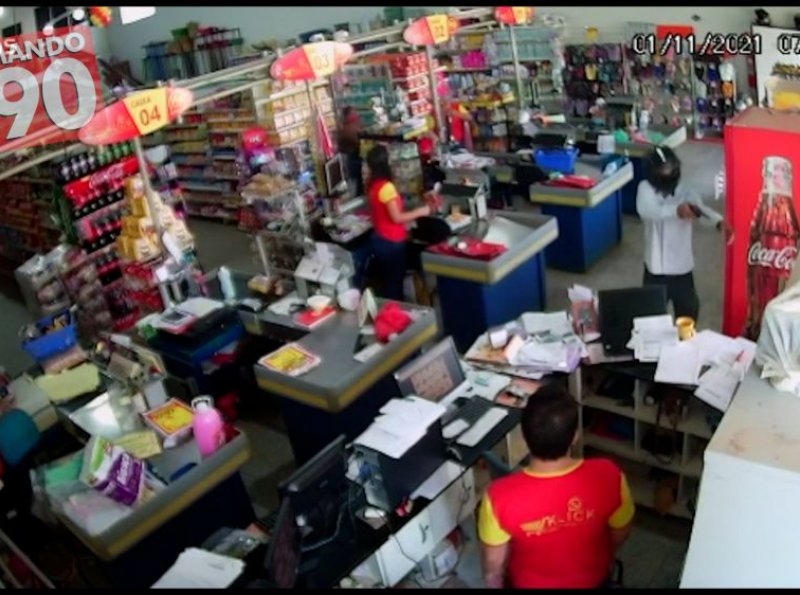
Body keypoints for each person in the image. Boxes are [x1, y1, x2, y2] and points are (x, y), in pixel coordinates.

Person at [478, 384, 634, 589]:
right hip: (595, 581)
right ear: (575, 436)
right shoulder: (609, 475)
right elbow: (620, 533)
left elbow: (493, 566)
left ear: (524, 436)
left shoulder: (498, 497)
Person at [636, 146, 733, 322]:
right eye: (664, 170)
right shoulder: (645, 189)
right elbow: (648, 210)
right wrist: (676, 211)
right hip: (656, 269)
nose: (669, 173)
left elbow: (699, 209)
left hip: (682, 268)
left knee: (689, 312)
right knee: (650, 316)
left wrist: (717, 221)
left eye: (671, 169)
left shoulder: (686, 189)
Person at [365, 144, 433, 301]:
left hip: (380, 238)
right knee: (394, 284)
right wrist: (422, 211)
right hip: (391, 242)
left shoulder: (373, 186)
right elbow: (397, 218)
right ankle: (394, 315)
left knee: (390, 280)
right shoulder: (387, 187)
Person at [338, 106, 364, 196]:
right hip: (353, 161)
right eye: (353, 113)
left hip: (354, 159)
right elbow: (357, 140)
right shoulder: (348, 129)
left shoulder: (351, 125)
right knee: (358, 183)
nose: (356, 114)